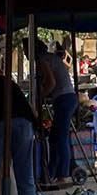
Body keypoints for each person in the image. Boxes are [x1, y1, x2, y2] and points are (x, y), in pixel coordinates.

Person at [39, 40, 79, 182]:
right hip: (65, 98)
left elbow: (51, 83)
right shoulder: (51, 58)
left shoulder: (43, 59)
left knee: (60, 137)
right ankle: (52, 171)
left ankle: (63, 173)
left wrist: (41, 95)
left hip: (65, 98)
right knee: (55, 137)